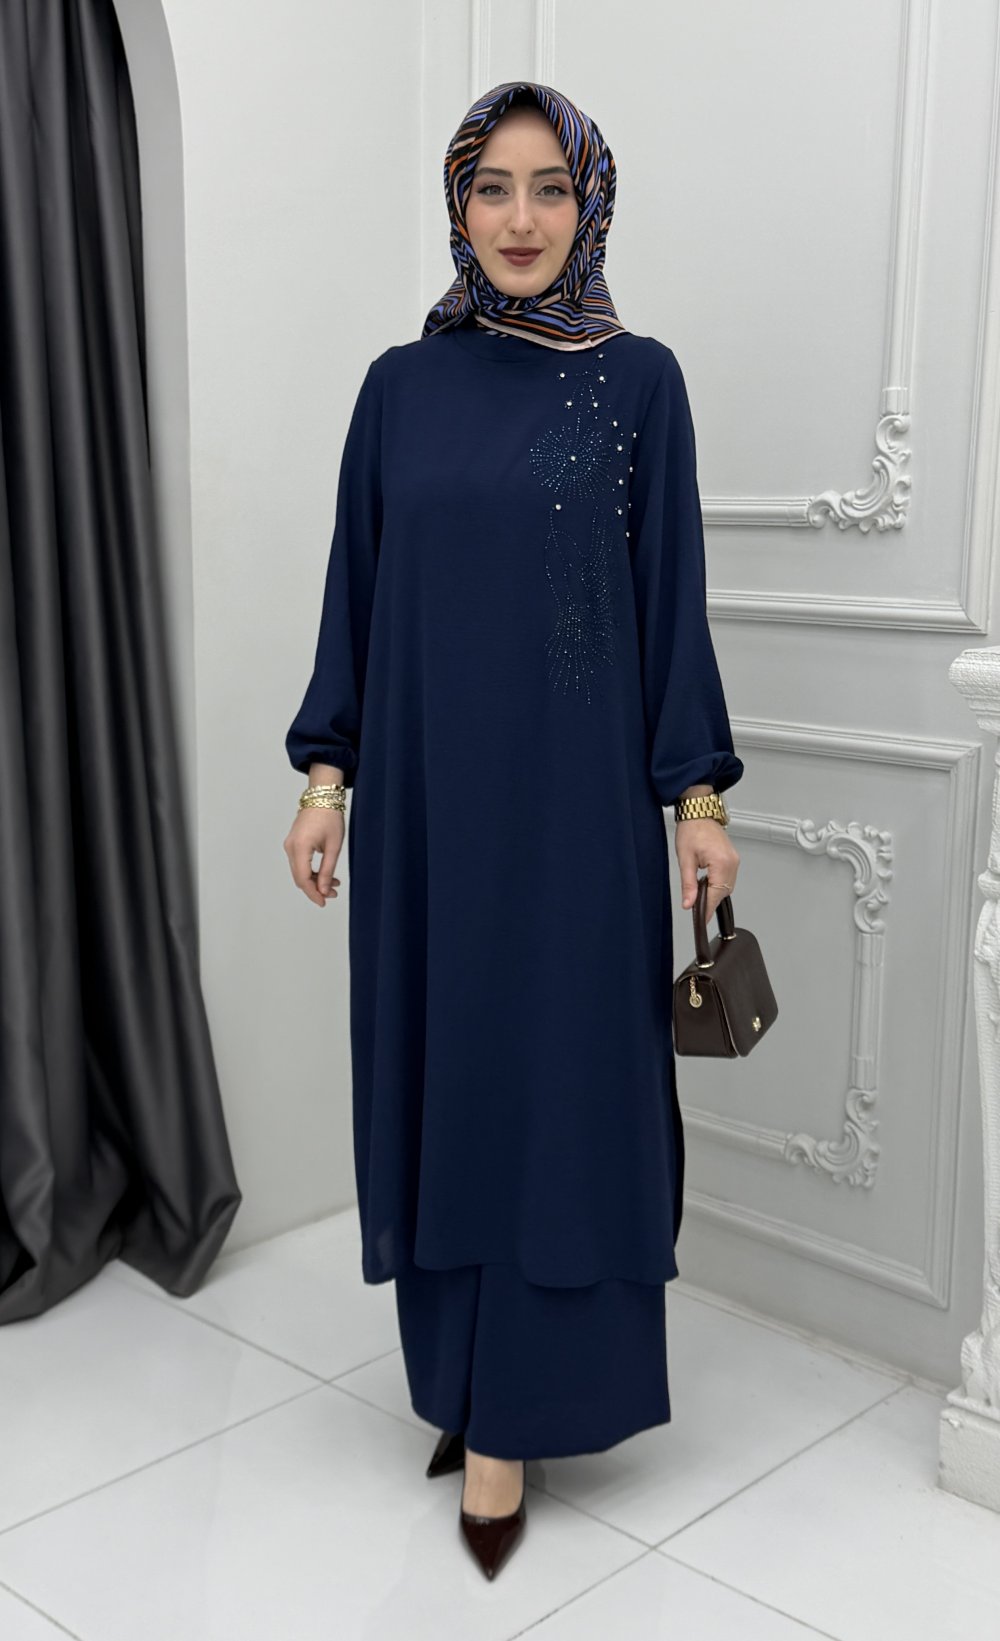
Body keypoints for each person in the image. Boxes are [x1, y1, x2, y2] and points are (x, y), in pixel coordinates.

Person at [283, 80, 743, 1582]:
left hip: (571, 825)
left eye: (552, 188)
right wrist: (327, 776)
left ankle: (515, 1419)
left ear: (590, 204)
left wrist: (696, 798)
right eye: (494, 187)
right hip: (427, 815)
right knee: (448, 1073)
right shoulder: (398, 388)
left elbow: (669, 602)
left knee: (558, 1088)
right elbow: (355, 595)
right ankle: (470, 1381)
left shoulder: (639, 382)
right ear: (459, 204)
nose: (523, 218)